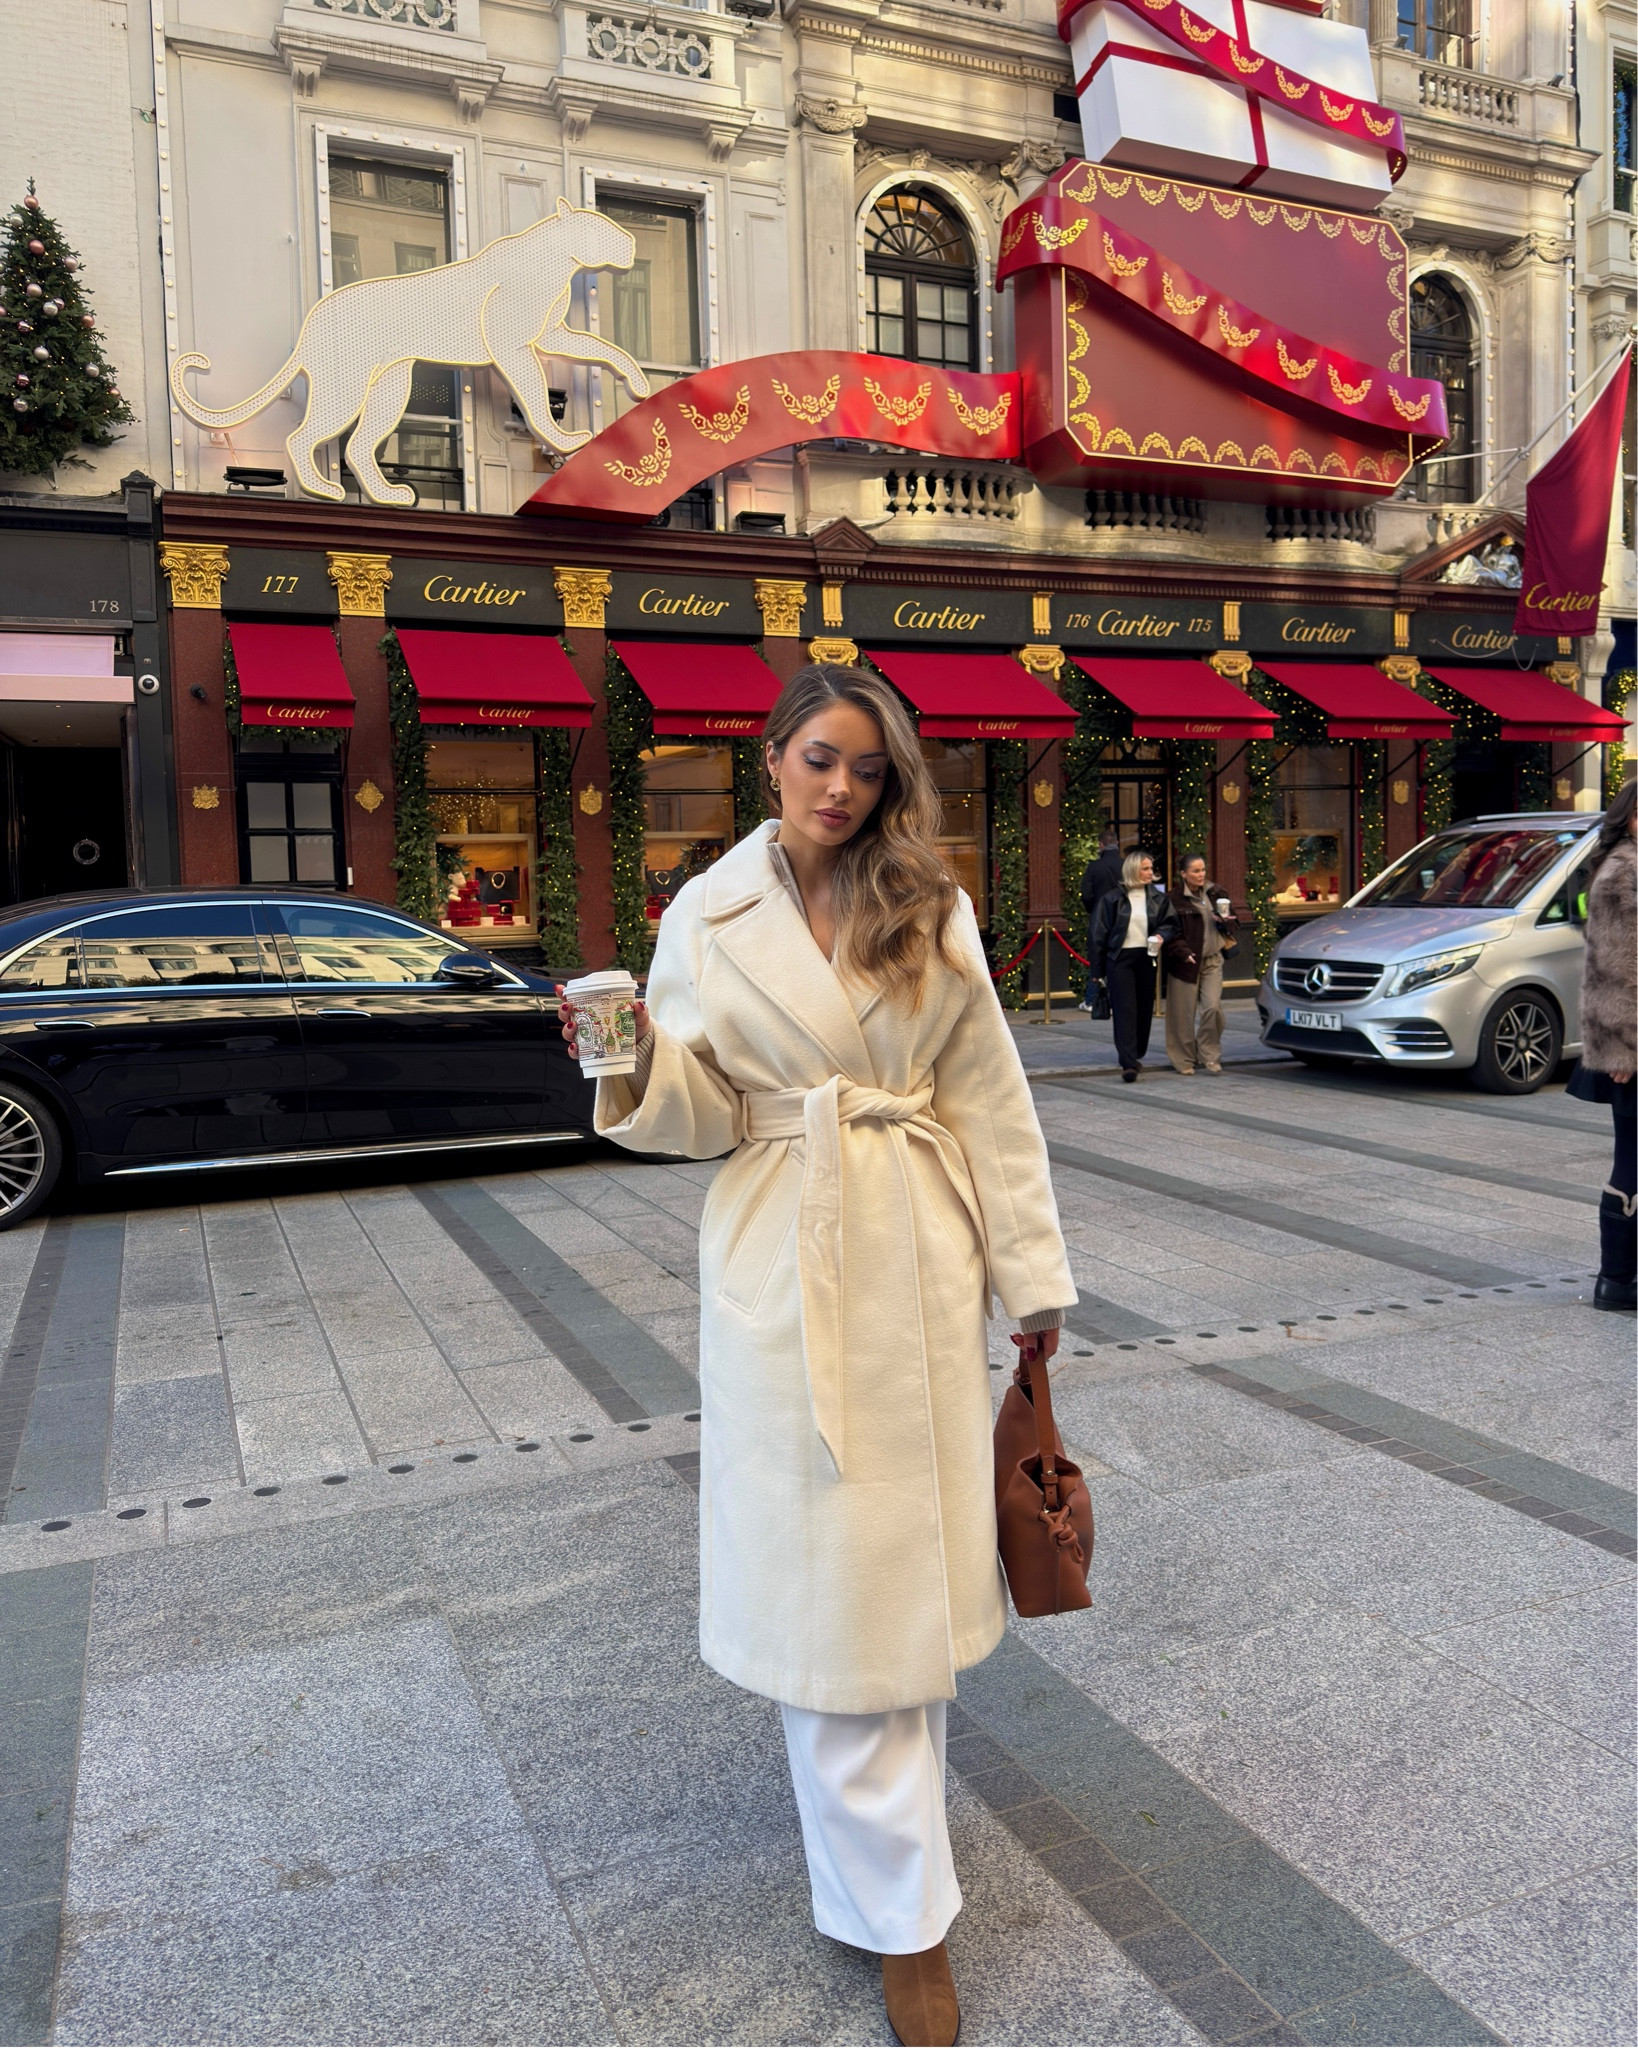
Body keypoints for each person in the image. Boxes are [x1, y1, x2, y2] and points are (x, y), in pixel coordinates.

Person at [557, 665, 1077, 2046]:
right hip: (783, 1249)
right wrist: (626, 1059)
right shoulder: (706, 913)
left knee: (895, 1600)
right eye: (821, 759)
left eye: (868, 767)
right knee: (832, 1600)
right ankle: (906, 1924)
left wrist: (1030, 1277)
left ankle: (887, 1896)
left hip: (916, 1244)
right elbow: (703, 1114)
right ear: (772, 755)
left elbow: (988, 1095)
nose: (842, 788)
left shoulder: (930, 903)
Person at [1567, 779, 1636, 1312]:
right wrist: (1623, 1050)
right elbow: (1615, 969)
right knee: (1631, 1164)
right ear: (1628, 818)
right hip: (1631, 1048)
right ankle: (1615, 1280)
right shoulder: (1624, 873)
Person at [1090, 848, 1176, 1081]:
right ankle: (1128, 1062)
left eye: (1150, 868)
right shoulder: (1112, 899)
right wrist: (1097, 970)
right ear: (1133, 870)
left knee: (1144, 1009)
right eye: (1145, 869)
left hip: (1146, 958)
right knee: (1124, 1010)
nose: (1150, 872)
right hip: (1120, 959)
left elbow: (1171, 924)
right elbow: (1098, 933)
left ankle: (1136, 1053)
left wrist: (1161, 935)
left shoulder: (1158, 898)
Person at [1162, 853, 1237, 1076]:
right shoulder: (1174, 898)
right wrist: (1183, 952)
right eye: (1195, 871)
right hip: (1185, 962)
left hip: (1212, 959)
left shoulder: (1216, 893)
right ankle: (1183, 1059)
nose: (1201, 874)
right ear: (1183, 874)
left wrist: (1226, 921)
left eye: (1203, 870)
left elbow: (1234, 923)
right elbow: (1169, 930)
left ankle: (1210, 1054)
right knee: (1182, 1014)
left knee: (1213, 1008)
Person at [1077, 827, 1123, 1011]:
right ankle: (1115, 998)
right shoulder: (1126, 865)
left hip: (1100, 917)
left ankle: (1092, 999)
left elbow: (1086, 895)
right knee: (1119, 958)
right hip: (1124, 918)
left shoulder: (1094, 867)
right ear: (1117, 843)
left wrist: (1093, 909)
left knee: (1097, 956)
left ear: (1100, 845)